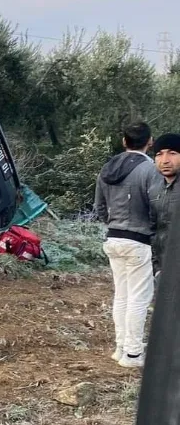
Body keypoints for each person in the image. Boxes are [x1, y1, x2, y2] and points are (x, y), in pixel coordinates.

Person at [94, 121, 158, 368]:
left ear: (124, 141)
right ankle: (132, 354)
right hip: (138, 240)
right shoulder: (149, 169)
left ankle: (121, 347)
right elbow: (156, 205)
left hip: (113, 237)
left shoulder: (107, 167)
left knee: (121, 295)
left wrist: (111, 222)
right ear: (150, 142)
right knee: (139, 298)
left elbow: (99, 206)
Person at [149, 133, 180, 289]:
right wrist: (157, 268)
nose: (165, 160)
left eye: (172, 153)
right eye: (159, 154)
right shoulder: (154, 190)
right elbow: (153, 231)